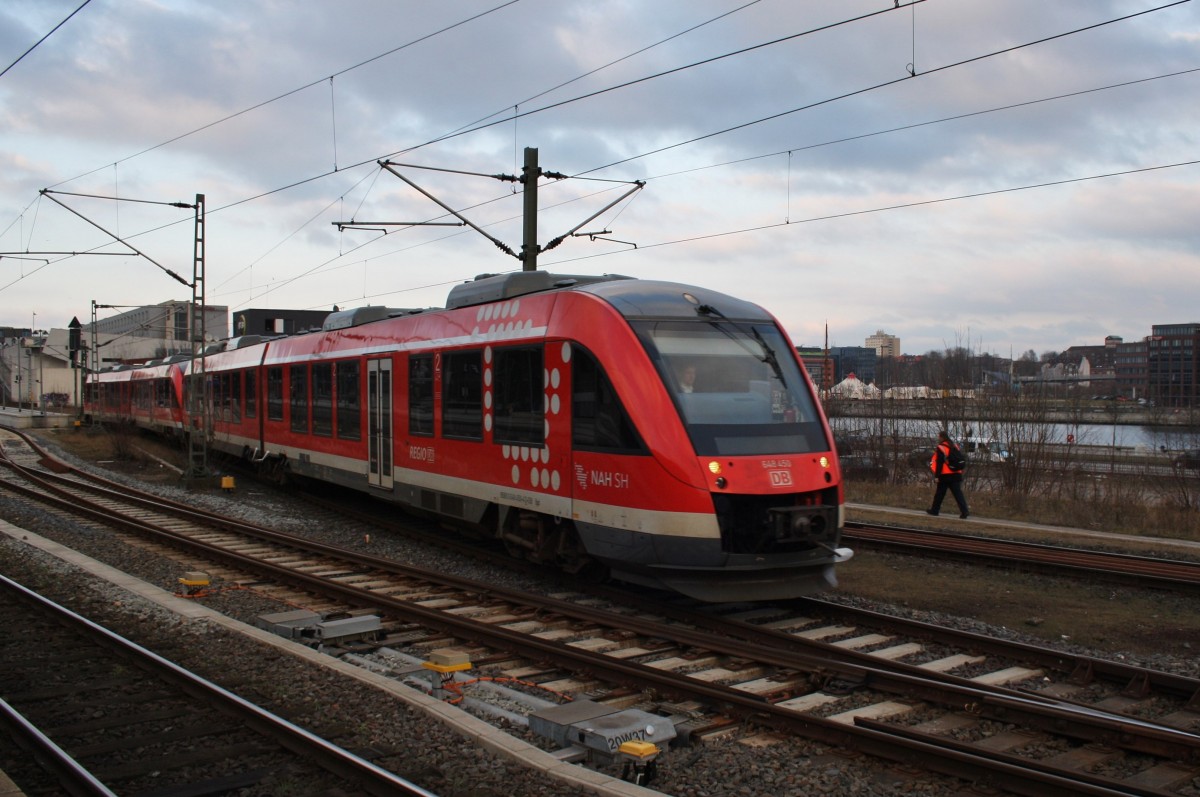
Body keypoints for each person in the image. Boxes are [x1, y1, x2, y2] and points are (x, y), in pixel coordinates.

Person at [927, 430, 969, 519]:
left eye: (939, 437)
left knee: (939, 494)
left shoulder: (941, 447)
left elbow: (939, 463)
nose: (938, 438)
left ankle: (934, 510)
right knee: (958, 494)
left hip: (945, 475)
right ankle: (964, 511)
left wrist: (937, 476)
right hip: (956, 474)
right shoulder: (954, 446)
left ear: (942, 437)